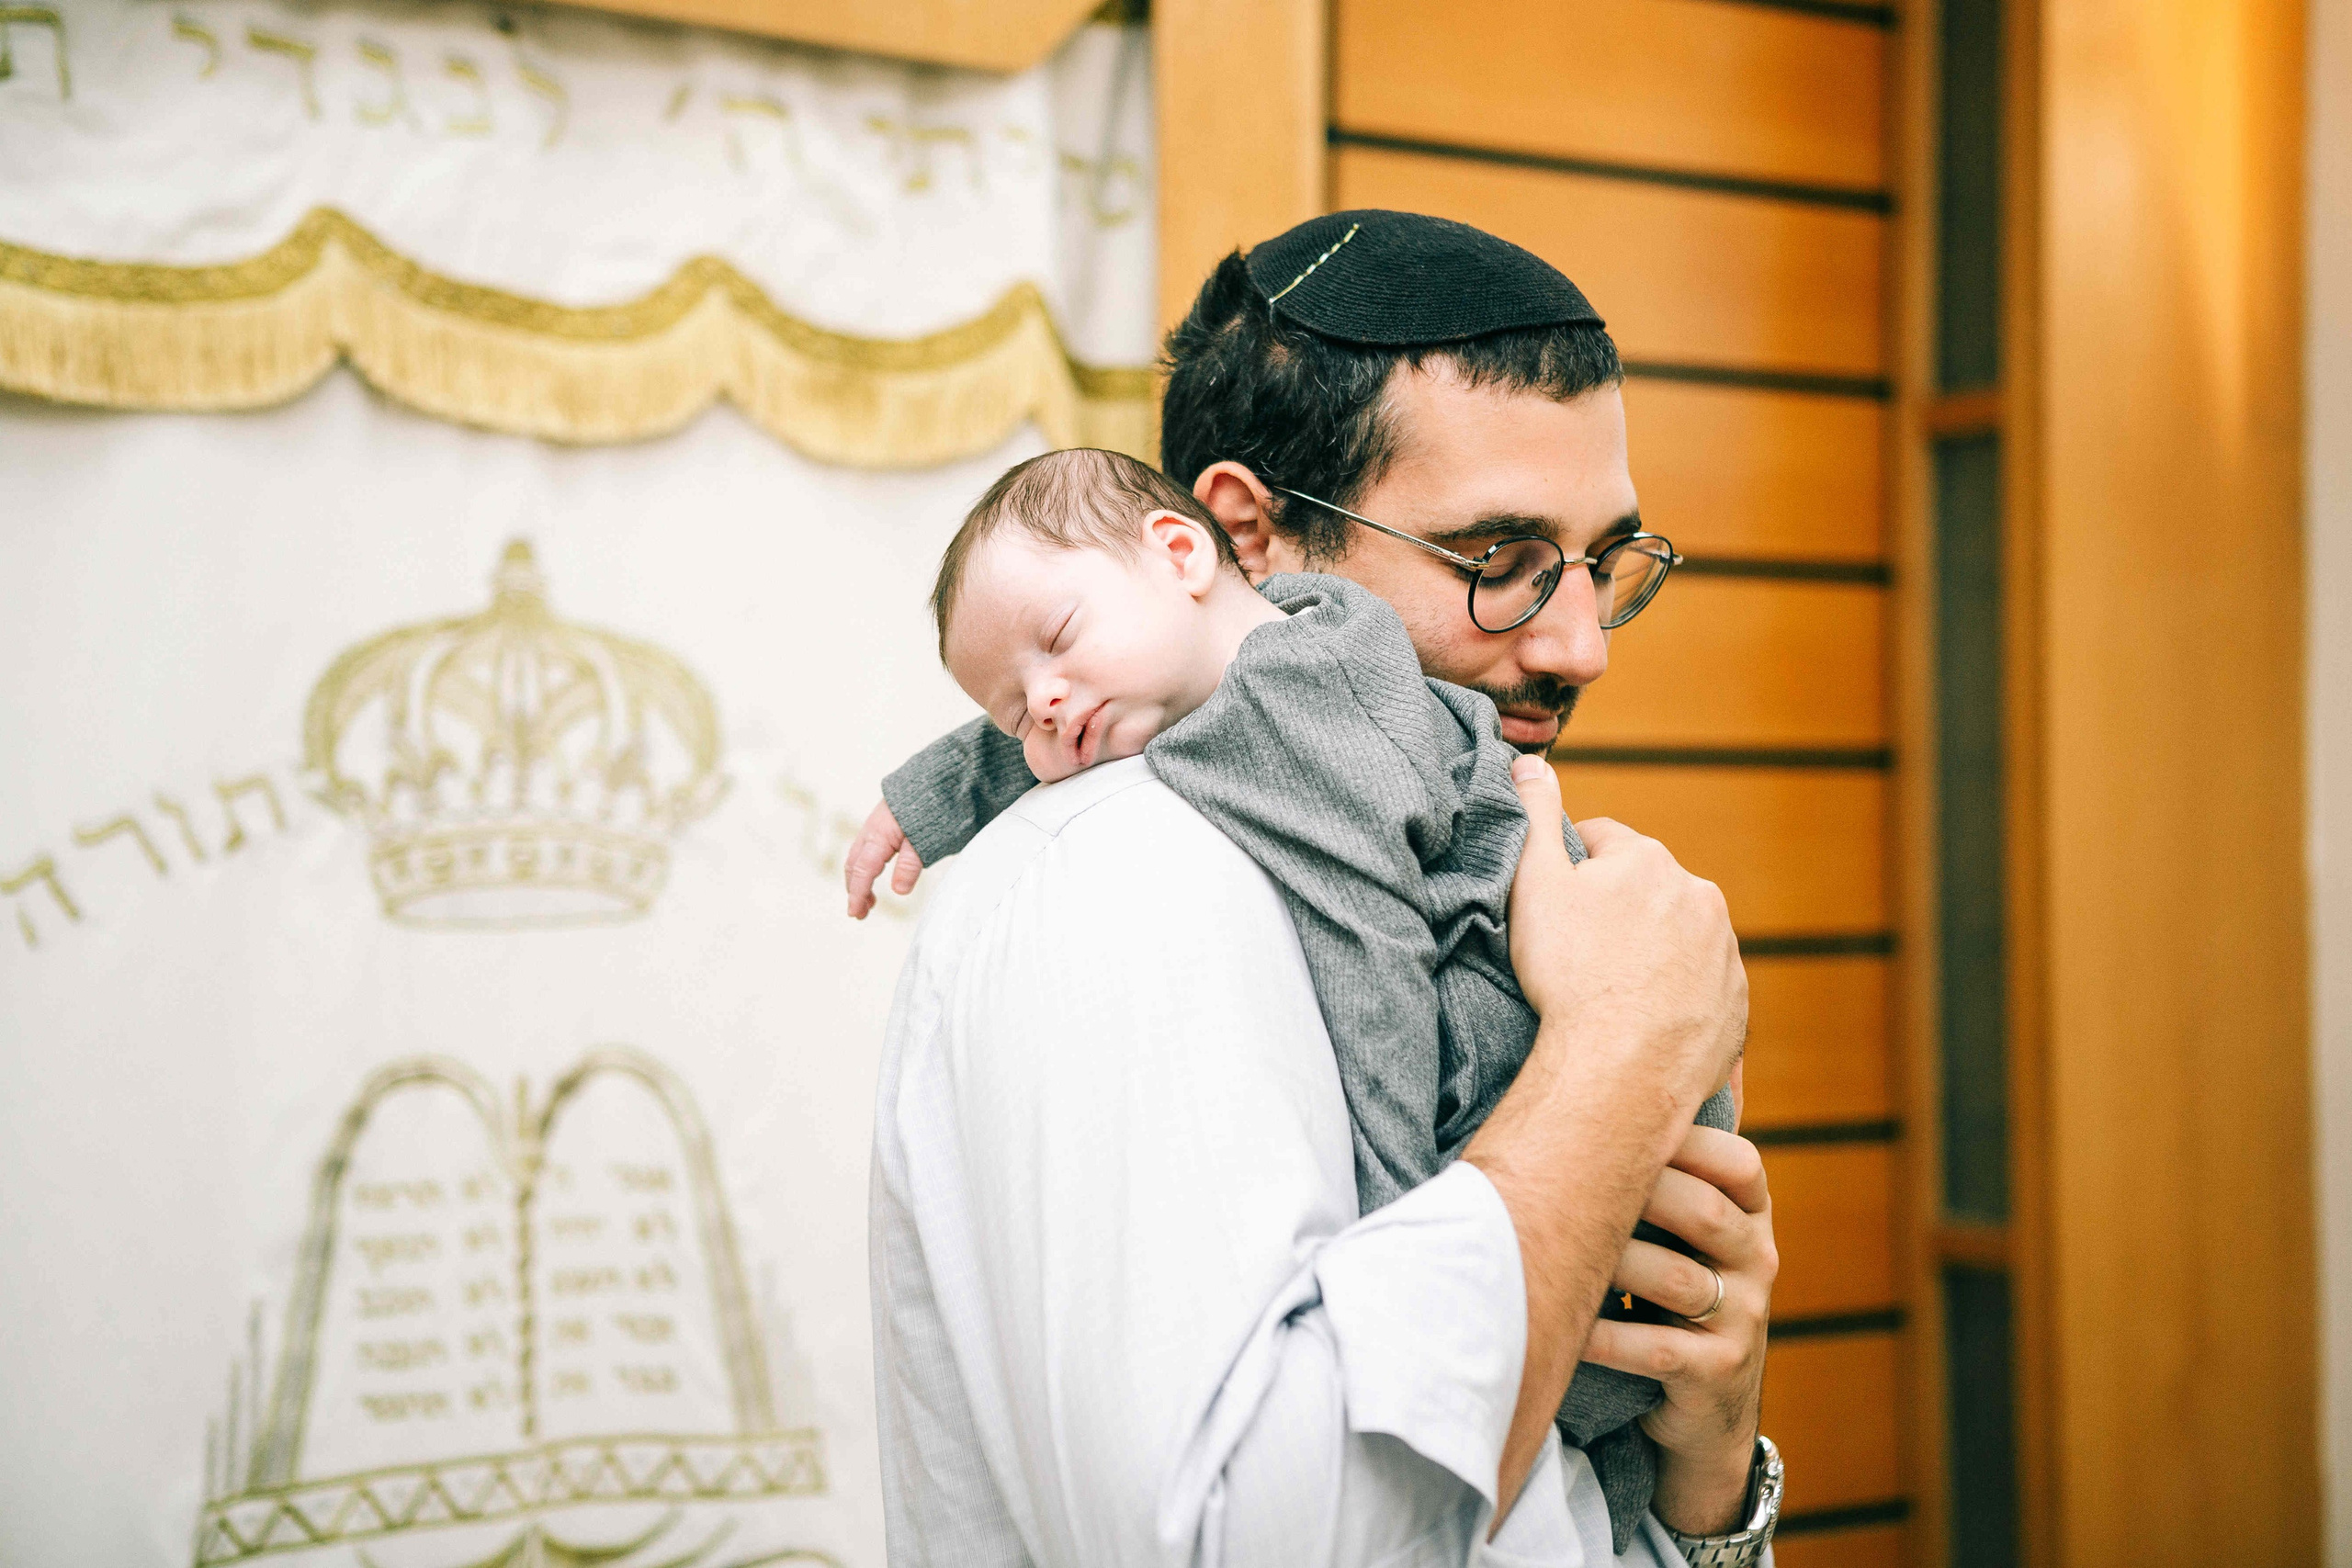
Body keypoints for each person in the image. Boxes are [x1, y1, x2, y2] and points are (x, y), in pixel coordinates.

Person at [864, 211, 1780, 1565]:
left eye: (1603, 565)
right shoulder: (1123, 881)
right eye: (1499, 566)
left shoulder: (1431, 824)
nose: (1581, 643)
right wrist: (1626, 1060)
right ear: (1243, 538)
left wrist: (1708, 1476)